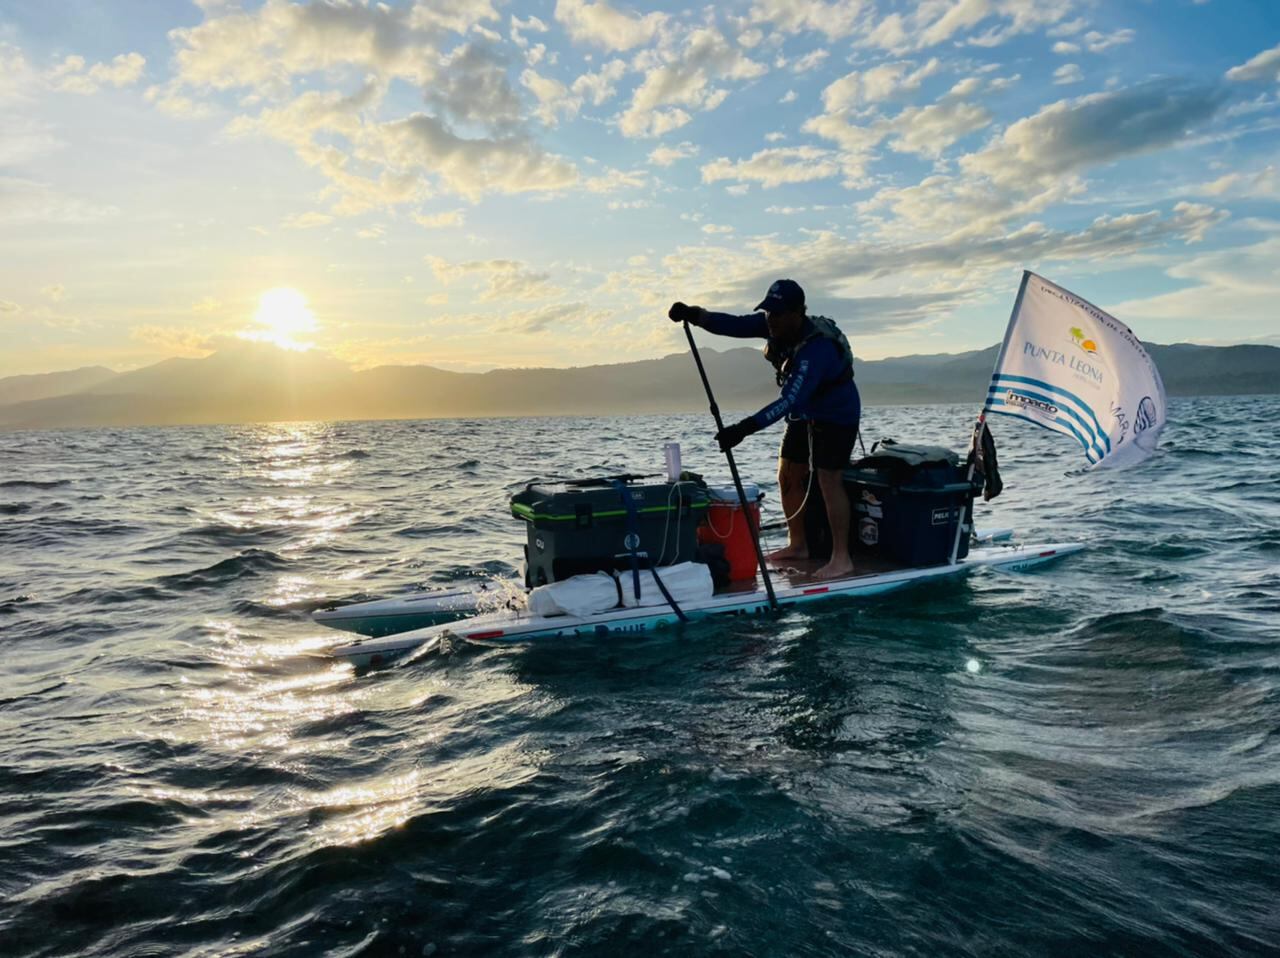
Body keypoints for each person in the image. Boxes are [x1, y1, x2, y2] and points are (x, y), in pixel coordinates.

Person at [669, 279, 861, 580]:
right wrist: (694, 314)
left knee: (828, 480)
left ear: (797, 313)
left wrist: (742, 429)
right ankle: (798, 545)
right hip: (805, 412)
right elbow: (732, 325)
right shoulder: (773, 326)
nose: (771, 319)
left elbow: (789, 400)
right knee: (787, 474)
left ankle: (841, 558)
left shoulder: (817, 349)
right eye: (768, 311)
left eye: (778, 313)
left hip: (837, 414)